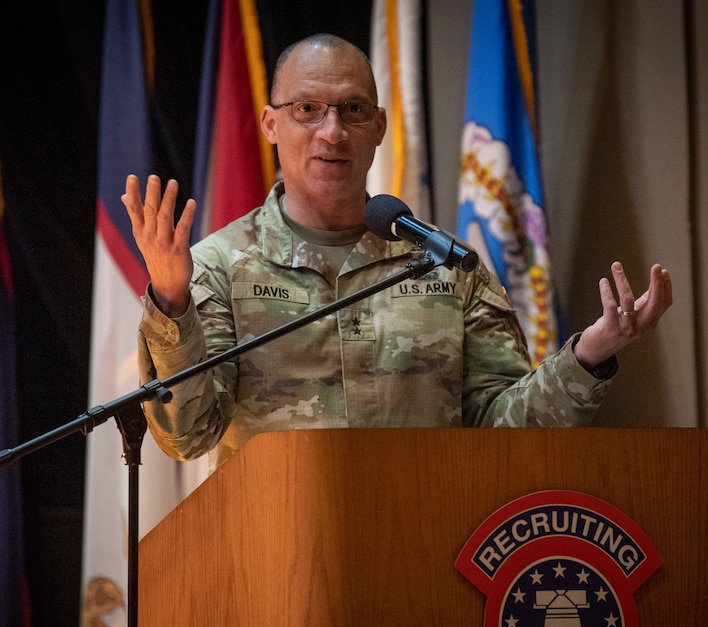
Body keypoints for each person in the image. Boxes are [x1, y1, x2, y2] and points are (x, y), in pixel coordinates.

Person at [123, 33, 672, 472]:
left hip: (426, 557)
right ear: (271, 123)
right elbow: (188, 437)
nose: (332, 132)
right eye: (308, 109)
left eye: (353, 110)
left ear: (379, 126)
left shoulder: (445, 264)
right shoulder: (217, 267)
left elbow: (503, 435)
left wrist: (589, 355)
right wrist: (172, 301)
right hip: (280, 570)